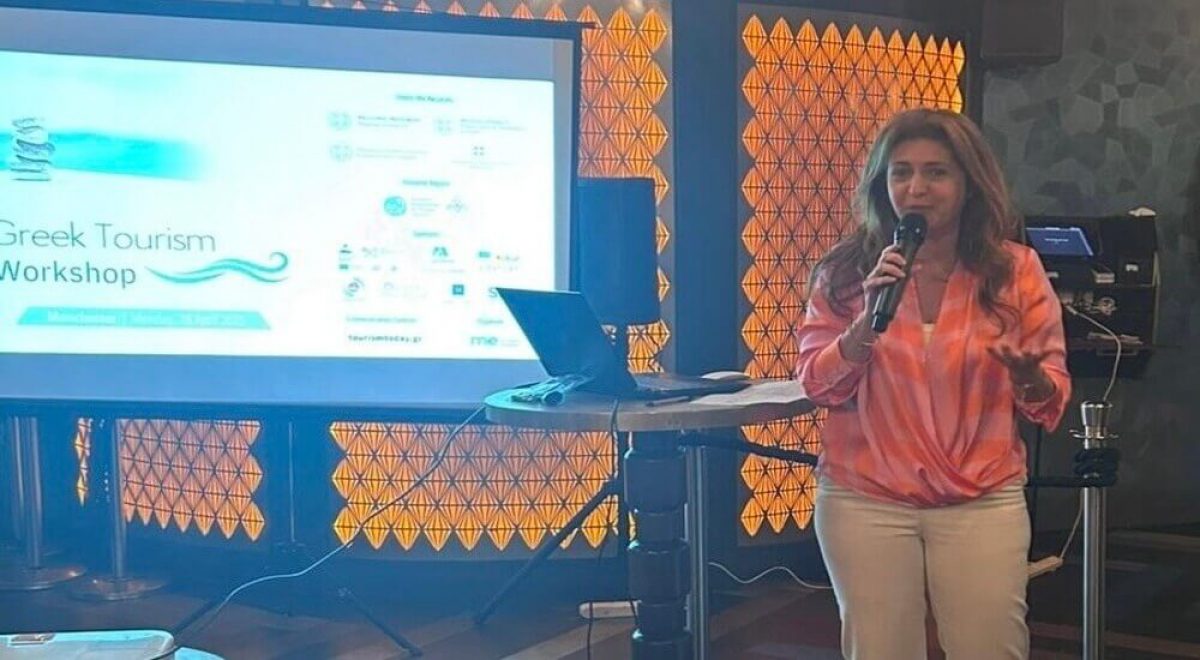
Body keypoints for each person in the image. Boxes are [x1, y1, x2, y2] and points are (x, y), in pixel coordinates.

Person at [794, 108, 1071, 660]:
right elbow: (818, 386)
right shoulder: (845, 273)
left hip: (981, 498)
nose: (916, 188)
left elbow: (1052, 401)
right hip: (864, 498)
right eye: (901, 172)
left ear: (969, 183)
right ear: (883, 183)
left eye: (936, 172)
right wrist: (864, 324)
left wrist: (1029, 377)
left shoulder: (1015, 271)